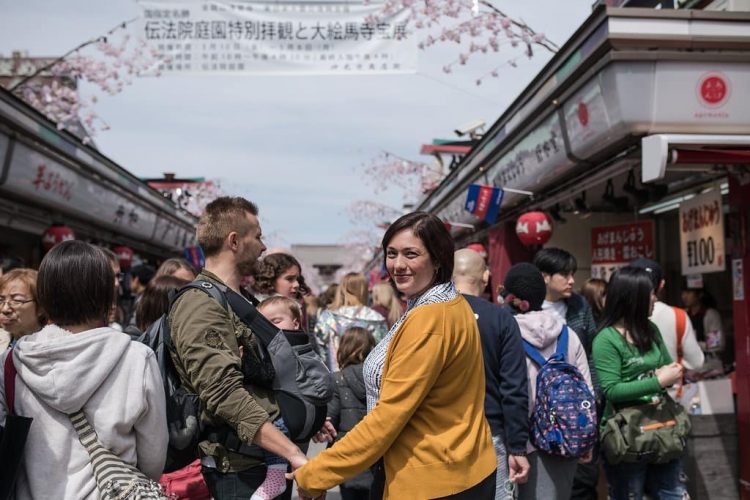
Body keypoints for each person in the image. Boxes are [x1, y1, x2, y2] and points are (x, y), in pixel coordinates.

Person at [291, 211, 497, 499]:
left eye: (411, 254)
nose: (398, 265)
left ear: (437, 259)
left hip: (431, 477)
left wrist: (317, 473)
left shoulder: (430, 319)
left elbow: (388, 417)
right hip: (460, 464)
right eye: (392, 253)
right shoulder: (450, 304)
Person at [0, 240, 167, 499]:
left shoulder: (13, 362)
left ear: (44, 293)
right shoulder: (136, 358)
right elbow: (153, 456)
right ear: (105, 293)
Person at [168, 197, 310, 499]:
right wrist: (292, 451)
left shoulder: (239, 297)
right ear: (234, 241)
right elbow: (222, 393)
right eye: (257, 236)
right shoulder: (200, 304)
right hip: (239, 469)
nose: (262, 246)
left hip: (263, 459)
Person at [499, 263, 593, 500]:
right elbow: (587, 390)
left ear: (511, 299)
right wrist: (586, 439)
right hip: (565, 438)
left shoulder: (505, 334)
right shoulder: (567, 334)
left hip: (522, 441)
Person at [593, 266, 685, 499]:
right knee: (629, 494)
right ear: (632, 297)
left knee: (672, 492)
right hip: (627, 436)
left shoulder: (650, 329)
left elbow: (667, 366)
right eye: (649, 293)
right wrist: (657, 380)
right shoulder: (606, 339)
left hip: (662, 428)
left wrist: (669, 374)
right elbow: (612, 389)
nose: (655, 298)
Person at [452, 249, 530, 499]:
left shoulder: (430, 317)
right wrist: (517, 446)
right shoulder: (501, 318)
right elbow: (514, 387)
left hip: (438, 437)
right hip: (490, 433)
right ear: (485, 277)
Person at [532, 247, 599, 500]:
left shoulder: (579, 305)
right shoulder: (526, 308)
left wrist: (595, 396)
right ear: (545, 276)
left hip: (578, 407)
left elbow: (591, 351)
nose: (572, 280)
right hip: (541, 410)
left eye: (573, 274)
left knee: (584, 480)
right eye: (565, 274)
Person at [326, 326, 377, 500]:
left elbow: (330, 420)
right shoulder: (381, 378)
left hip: (347, 456)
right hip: (376, 454)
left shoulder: (337, 379)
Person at [631, 259, 704, 371]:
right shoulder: (678, 316)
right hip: (670, 385)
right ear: (662, 284)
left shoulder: (617, 319)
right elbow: (696, 362)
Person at [314, 272, 387, 371]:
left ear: (343, 289)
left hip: (337, 375)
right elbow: (382, 352)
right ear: (364, 290)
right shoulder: (376, 319)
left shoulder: (329, 317)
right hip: (367, 377)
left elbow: (321, 346)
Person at [0, 269, 46, 349]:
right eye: (1, 300)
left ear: (41, 307)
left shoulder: (54, 347)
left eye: (17, 300)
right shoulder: (2, 340)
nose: (5, 309)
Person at [681, 286, 724, 366]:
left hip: (708, 363)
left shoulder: (710, 314)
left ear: (700, 295)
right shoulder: (684, 315)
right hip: (688, 364)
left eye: (689, 293)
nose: (684, 296)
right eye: (683, 293)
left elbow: (716, 345)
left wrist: (695, 344)